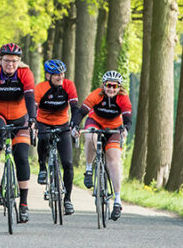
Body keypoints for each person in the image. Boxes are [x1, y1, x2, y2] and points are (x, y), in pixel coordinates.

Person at [0, 43, 36, 223]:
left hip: (21, 117)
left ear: (19, 62)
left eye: (14, 61)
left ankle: (24, 205)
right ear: (0, 61)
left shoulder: (25, 74)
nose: (10, 64)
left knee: (21, 157)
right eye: (6, 61)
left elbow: (29, 97)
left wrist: (33, 119)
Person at [72, 70, 132, 221]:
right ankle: (88, 169)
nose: (111, 89)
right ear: (103, 86)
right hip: (95, 122)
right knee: (91, 136)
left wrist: (125, 129)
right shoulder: (96, 95)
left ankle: (117, 201)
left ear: (119, 87)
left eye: (115, 86)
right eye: (108, 85)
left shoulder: (123, 98)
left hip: (114, 127)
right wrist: (74, 126)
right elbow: (81, 112)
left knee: (114, 160)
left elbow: (127, 118)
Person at [34, 59, 79, 214]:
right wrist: (32, 123)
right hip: (44, 121)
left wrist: (75, 123)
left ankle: (67, 199)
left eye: (61, 74)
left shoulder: (69, 86)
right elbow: (33, 108)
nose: (60, 77)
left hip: (62, 123)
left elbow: (74, 107)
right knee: (44, 138)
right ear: (48, 76)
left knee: (67, 162)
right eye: (56, 75)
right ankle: (42, 167)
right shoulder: (40, 88)